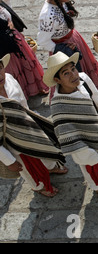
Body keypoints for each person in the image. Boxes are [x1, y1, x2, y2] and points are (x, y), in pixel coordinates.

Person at [43, 52, 98, 201]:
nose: (73, 75)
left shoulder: (83, 79)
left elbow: (95, 97)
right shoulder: (59, 106)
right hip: (83, 145)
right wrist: (90, 156)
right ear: (57, 80)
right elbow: (68, 137)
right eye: (66, 73)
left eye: (73, 69)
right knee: (91, 168)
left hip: (97, 127)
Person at [0, 54, 68, 197]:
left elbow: (24, 104)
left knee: (45, 150)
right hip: (14, 145)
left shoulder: (10, 79)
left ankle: (50, 168)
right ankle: (39, 187)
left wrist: (35, 120)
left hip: (31, 129)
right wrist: (9, 161)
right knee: (27, 169)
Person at [38, 0, 98, 99]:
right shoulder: (47, 16)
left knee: (84, 66)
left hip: (73, 39)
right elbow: (42, 40)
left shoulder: (59, 2)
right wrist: (62, 48)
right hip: (63, 48)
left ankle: (94, 91)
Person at [0, 0, 49, 98]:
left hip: (14, 39)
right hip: (3, 47)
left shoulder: (2, 0)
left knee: (26, 64)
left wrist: (10, 23)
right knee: (12, 70)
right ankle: (19, 94)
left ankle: (36, 88)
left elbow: (9, 13)